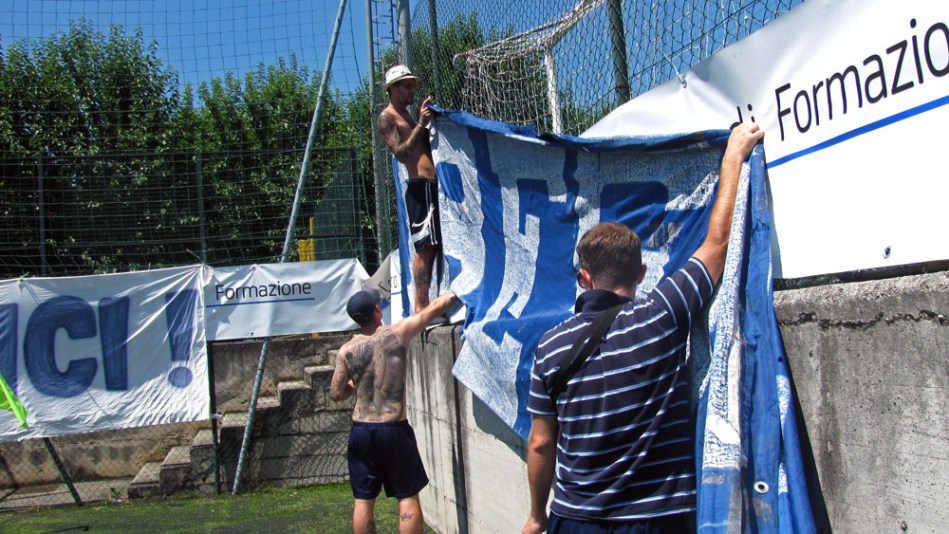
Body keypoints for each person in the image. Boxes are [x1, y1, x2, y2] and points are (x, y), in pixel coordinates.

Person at [522, 123, 764, 534]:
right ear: (642, 273)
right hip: (656, 520)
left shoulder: (549, 348)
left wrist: (536, 515)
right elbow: (717, 245)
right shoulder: (662, 314)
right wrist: (733, 157)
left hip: (575, 519)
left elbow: (542, 443)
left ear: (583, 278)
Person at [330, 287, 458, 534]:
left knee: (363, 499)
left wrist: (356, 383)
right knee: (407, 496)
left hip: (361, 431)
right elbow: (432, 310)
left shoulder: (346, 350)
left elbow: (336, 393)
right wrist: (458, 291)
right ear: (377, 310)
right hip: (393, 429)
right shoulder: (397, 333)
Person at [378, 64, 441, 315]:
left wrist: (420, 120)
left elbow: (421, 144)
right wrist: (420, 125)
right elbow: (401, 153)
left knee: (433, 246)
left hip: (429, 186)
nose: (412, 90)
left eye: (413, 85)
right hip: (418, 188)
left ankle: (426, 304)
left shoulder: (407, 116)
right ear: (392, 89)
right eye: (407, 86)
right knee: (425, 248)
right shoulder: (387, 117)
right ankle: (421, 307)